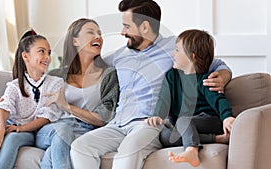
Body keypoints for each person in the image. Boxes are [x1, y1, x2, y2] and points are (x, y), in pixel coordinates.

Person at [71, 0, 232, 169]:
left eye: (127, 26)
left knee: (127, 152)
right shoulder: (119, 55)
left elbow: (217, 64)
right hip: (118, 124)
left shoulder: (175, 47)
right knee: (80, 147)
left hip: (149, 124)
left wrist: (221, 77)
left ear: (145, 27)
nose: (122, 32)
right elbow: (88, 68)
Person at [35, 18, 119, 169]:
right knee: (62, 132)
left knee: (51, 156)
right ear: (75, 41)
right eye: (90, 32)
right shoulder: (56, 75)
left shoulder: (108, 75)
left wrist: (67, 106)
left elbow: (104, 118)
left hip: (85, 131)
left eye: (99, 33)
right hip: (53, 129)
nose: (98, 36)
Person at [146, 29, 236, 167]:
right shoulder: (171, 76)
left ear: (191, 57)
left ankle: (191, 151)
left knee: (183, 121)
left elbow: (219, 100)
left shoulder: (205, 80)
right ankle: (217, 139)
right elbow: (164, 98)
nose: (172, 54)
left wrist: (227, 117)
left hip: (208, 120)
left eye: (177, 50)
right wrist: (158, 115)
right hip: (184, 125)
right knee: (165, 136)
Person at [0, 30, 64, 169]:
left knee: (12, 139)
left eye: (48, 52)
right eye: (41, 51)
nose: (47, 57)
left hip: (29, 131)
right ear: (26, 56)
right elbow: (3, 106)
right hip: (10, 126)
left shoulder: (55, 83)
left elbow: (47, 116)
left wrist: (20, 128)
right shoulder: (15, 85)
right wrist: (0, 127)